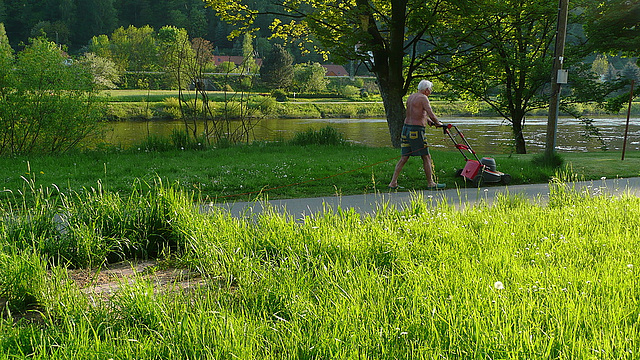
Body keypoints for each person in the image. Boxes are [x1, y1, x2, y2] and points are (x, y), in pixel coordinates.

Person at [388, 80, 446, 190]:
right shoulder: (424, 98)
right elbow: (430, 112)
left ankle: (393, 183)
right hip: (416, 131)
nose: (431, 92)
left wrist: (427, 119)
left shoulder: (411, 97)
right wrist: (438, 123)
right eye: (430, 90)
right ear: (427, 90)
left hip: (406, 129)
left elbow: (414, 112)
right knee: (426, 156)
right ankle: (431, 183)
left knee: (404, 157)